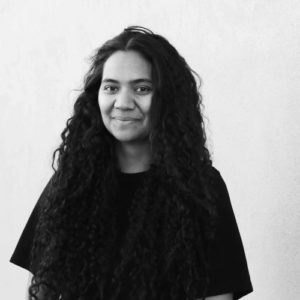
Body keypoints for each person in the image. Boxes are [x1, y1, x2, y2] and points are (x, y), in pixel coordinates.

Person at [10, 26, 253, 300]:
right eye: (111, 87)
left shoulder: (201, 188)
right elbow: (38, 291)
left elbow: (218, 296)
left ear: (168, 98)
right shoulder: (71, 183)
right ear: (96, 95)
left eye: (142, 88)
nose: (123, 103)